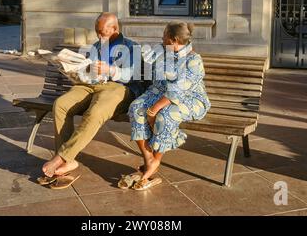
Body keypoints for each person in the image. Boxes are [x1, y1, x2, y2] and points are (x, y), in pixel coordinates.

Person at [38, 12, 144, 189]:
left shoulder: (132, 47)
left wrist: (110, 70)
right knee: (61, 104)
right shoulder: (95, 47)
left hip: (118, 88)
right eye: (96, 31)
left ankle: (62, 157)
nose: (99, 35)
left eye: (102, 31)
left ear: (114, 28)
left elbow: (130, 75)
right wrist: (77, 71)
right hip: (90, 86)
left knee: (95, 112)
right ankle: (69, 161)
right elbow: (85, 70)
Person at [122, 22, 211, 191]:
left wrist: (153, 110)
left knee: (165, 115)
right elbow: (143, 56)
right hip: (158, 92)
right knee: (136, 108)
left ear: (173, 40)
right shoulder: (162, 51)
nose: (161, 38)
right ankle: (149, 160)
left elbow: (176, 93)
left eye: (164, 36)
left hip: (189, 99)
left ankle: (155, 162)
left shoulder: (194, 61)